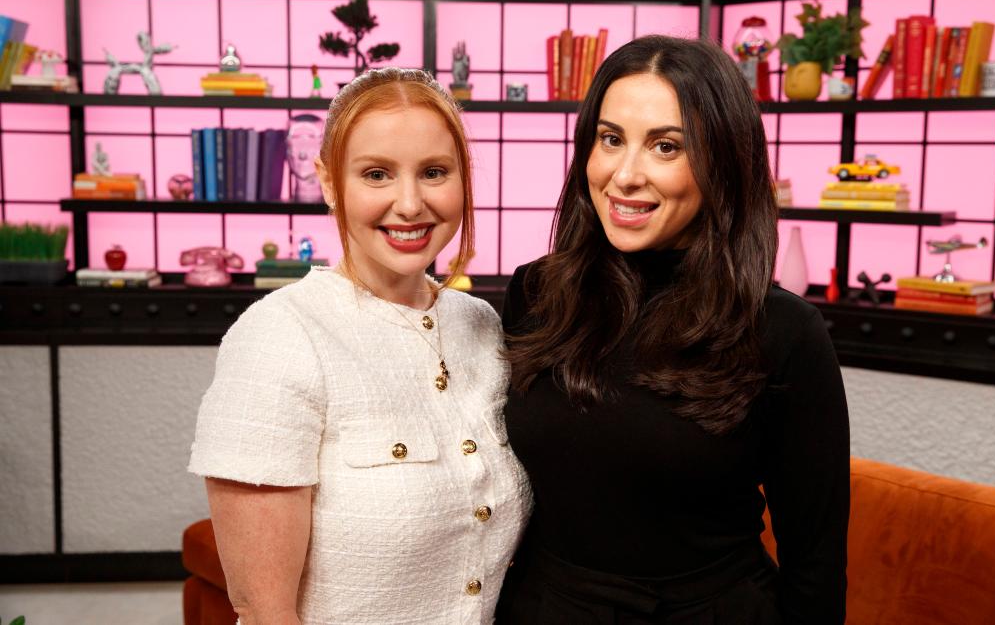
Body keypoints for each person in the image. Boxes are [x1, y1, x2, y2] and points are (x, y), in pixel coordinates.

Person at [496, 36, 850, 624]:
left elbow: (814, 560)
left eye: (665, 147)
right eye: (611, 140)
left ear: (723, 162)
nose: (625, 175)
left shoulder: (785, 331)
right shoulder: (534, 294)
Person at [188, 67, 531, 625]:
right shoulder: (279, 336)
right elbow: (262, 608)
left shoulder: (483, 327)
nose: (410, 203)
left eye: (434, 172)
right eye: (376, 174)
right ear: (328, 183)